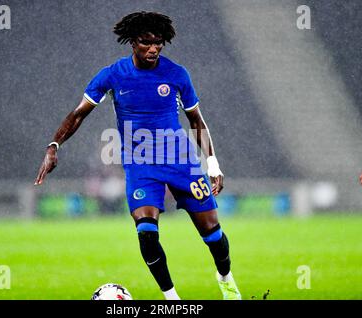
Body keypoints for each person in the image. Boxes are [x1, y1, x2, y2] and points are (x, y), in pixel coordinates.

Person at [34, 11, 241, 300]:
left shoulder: (177, 74)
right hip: (140, 165)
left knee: (212, 233)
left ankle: (225, 277)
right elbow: (79, 114)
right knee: (146, 231)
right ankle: (172, 299)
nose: (154, 48)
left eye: (159, 43)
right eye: (146, 42)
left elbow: (197, 121)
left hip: (180, 160)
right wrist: (54, 145)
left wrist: (213, 164)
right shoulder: (113, 75)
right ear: (132, 42)